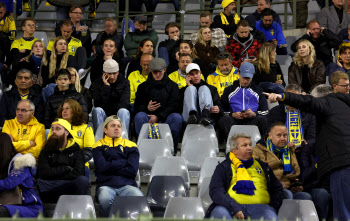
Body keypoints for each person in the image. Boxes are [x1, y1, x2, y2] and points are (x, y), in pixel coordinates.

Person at [264, 89, 350, 221]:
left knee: (343, 213)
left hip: (342, 164)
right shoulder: (345, 107)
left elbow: (307, 101)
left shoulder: (328, 102)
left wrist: (282, 96)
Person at [206, 133, 283, 220]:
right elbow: (216, 191)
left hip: (260, 208)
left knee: (270, 216)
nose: (249, 148)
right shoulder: (224, 167)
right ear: (234, 151)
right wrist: (233, 208)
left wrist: (272, 207)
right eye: (244, 145)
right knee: (219, 214)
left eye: (250, 145)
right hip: (229, 207)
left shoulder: (263, 166)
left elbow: (277, 188)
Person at [92, 116, 143, 217]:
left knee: (139, 197)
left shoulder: (131, 145)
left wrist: (110, 165)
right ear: (105, 130)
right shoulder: (98, 145)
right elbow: (102, 167)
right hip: (106, 185)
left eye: (119, 126)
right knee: (105, 199)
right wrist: (122, 163)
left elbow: (132, 171)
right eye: (113, 126)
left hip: (127, 185)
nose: (117, 128)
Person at [134, 58, 182, 155]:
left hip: (165, 117)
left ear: (164, 70)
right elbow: (137, 106)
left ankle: (171, 151)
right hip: (148, 117)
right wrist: (147, 108)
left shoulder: (173, 86)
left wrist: (159, 116)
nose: (157, 74)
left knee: (176, 118)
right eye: (155, 72)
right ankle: (143, 151)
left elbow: (175, 105)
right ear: (151, 72)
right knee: (139, 116)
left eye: (159, 72)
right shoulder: (142, 87)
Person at [253, 122, 312, 200]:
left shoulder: (289, 150)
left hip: (287, 187)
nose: (283, 138)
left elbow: (293, 174)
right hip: (269, 189)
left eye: (285, 135)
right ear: (270, 135)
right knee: (286, 194)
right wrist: (277, 184)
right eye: (279, 135)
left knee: (305, 197)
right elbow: (257, 174)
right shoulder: (257, 150)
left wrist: (295, 185)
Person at [37, 118, 89, 203]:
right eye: (52, 129)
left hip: (68, 186)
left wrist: (55, 174)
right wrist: (66, 169)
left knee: (83, 181)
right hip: (49, 186)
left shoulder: (76, 150)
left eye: (58, 129)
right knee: (34, 182)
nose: (53, 131)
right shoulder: (45, 150)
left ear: (67, 132)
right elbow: (43, 173)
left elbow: (79, 173)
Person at [219, 62, 268, 138]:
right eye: (244, 77)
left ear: (253, 75)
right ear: (239, 74)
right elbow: (222, 110)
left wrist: (254, 114)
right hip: (234, 120)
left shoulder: (258, 91)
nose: (246, 81)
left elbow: (265, 111)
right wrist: (232, 114)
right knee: (224, 119)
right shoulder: (229, 90)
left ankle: (260, 144)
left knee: (263, 120)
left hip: (252, 120)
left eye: (248, 78)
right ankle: (229, 143)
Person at [0, 133, 43, 217]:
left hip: (29, 207)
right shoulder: (2, 163)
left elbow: (9, 183)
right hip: (7, 204)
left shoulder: (21, 163)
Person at [55, 99, 94, 178]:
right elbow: (50, 148)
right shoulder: (55, 127)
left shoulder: (86, 128)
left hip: (79, 164)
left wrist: (74, 161)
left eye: (67, 108)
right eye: (62, 109)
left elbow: (89, 151)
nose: (64, 111)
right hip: (59, 164)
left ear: (75, 110)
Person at [91, 59, 130, 133]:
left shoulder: (124, 82)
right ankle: (100, 139)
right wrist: (107, 87)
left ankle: (123, 139)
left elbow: (124, 104)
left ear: (118, 72)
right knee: (97, 110)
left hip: (118, 115)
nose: (112, 77)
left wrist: (110, 108)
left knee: (123, 111)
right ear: (104, 73)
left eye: (114, 73)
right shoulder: (97, 83)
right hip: (105, 115)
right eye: (109, 74)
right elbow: (97, 104)